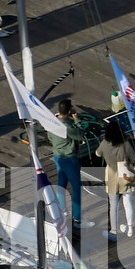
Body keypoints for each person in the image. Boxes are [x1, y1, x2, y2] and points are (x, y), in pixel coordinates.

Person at [98, 119, 135, 239]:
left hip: (111, 175)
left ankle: (114, 231)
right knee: (128, 202)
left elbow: (97, 154)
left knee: (113, 205)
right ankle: (130, 229)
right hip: (126, 174)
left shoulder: (105, 143)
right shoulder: (125, 143)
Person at [50, 99, 82, 232]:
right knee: (76, 188)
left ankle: (63, 211)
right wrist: (77, 120)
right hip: (69, 159)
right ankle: (78, 220)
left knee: (61, 185)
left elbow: (50, 138)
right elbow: (80, 135)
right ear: (69, 111)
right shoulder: (67, 126)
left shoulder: (52, 122)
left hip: (57, 156)